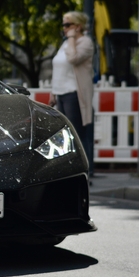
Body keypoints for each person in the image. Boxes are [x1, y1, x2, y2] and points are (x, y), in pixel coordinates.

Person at [49, 11, 95, 177]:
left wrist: (71, 39)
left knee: (77, 135)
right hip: (61, 94)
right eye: (63, 25)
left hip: (74, 94)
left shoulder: (85, 42)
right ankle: (68, 172)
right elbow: (58, 69)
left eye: (67, 25)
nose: (64, 28)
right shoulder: (66, 43)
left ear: (78, 26)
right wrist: (53, 91)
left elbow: (73, 59)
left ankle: (84, 172)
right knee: (64, 136)